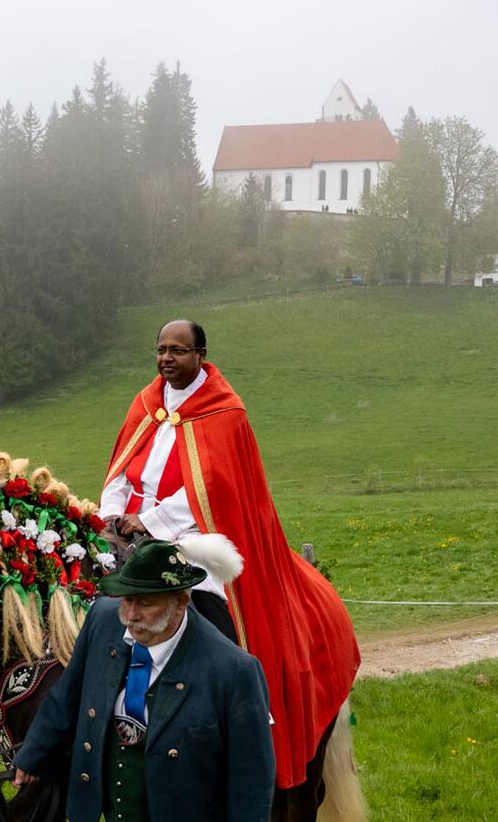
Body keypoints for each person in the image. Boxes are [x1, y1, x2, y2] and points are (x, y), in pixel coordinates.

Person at [100, 319, 361, 802]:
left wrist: (151, 522)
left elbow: (216, 488)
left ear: (201, 353)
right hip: (129, 533)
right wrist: (114, 512)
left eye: (177, 350)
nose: (166, 359)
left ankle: (239, 710)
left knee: (213, 609)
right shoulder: (146, 403)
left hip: (198, 533)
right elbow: (120, 465)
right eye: (160, 350)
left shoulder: (226, 411)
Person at [12, 539, 275, 822]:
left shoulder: (235, 671)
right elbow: (67, 697)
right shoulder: (102, 621)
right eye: (127, 599)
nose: (131, 615)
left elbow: (252, 782)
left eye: (146, 603)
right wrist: (33, 755)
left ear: (181, 602)